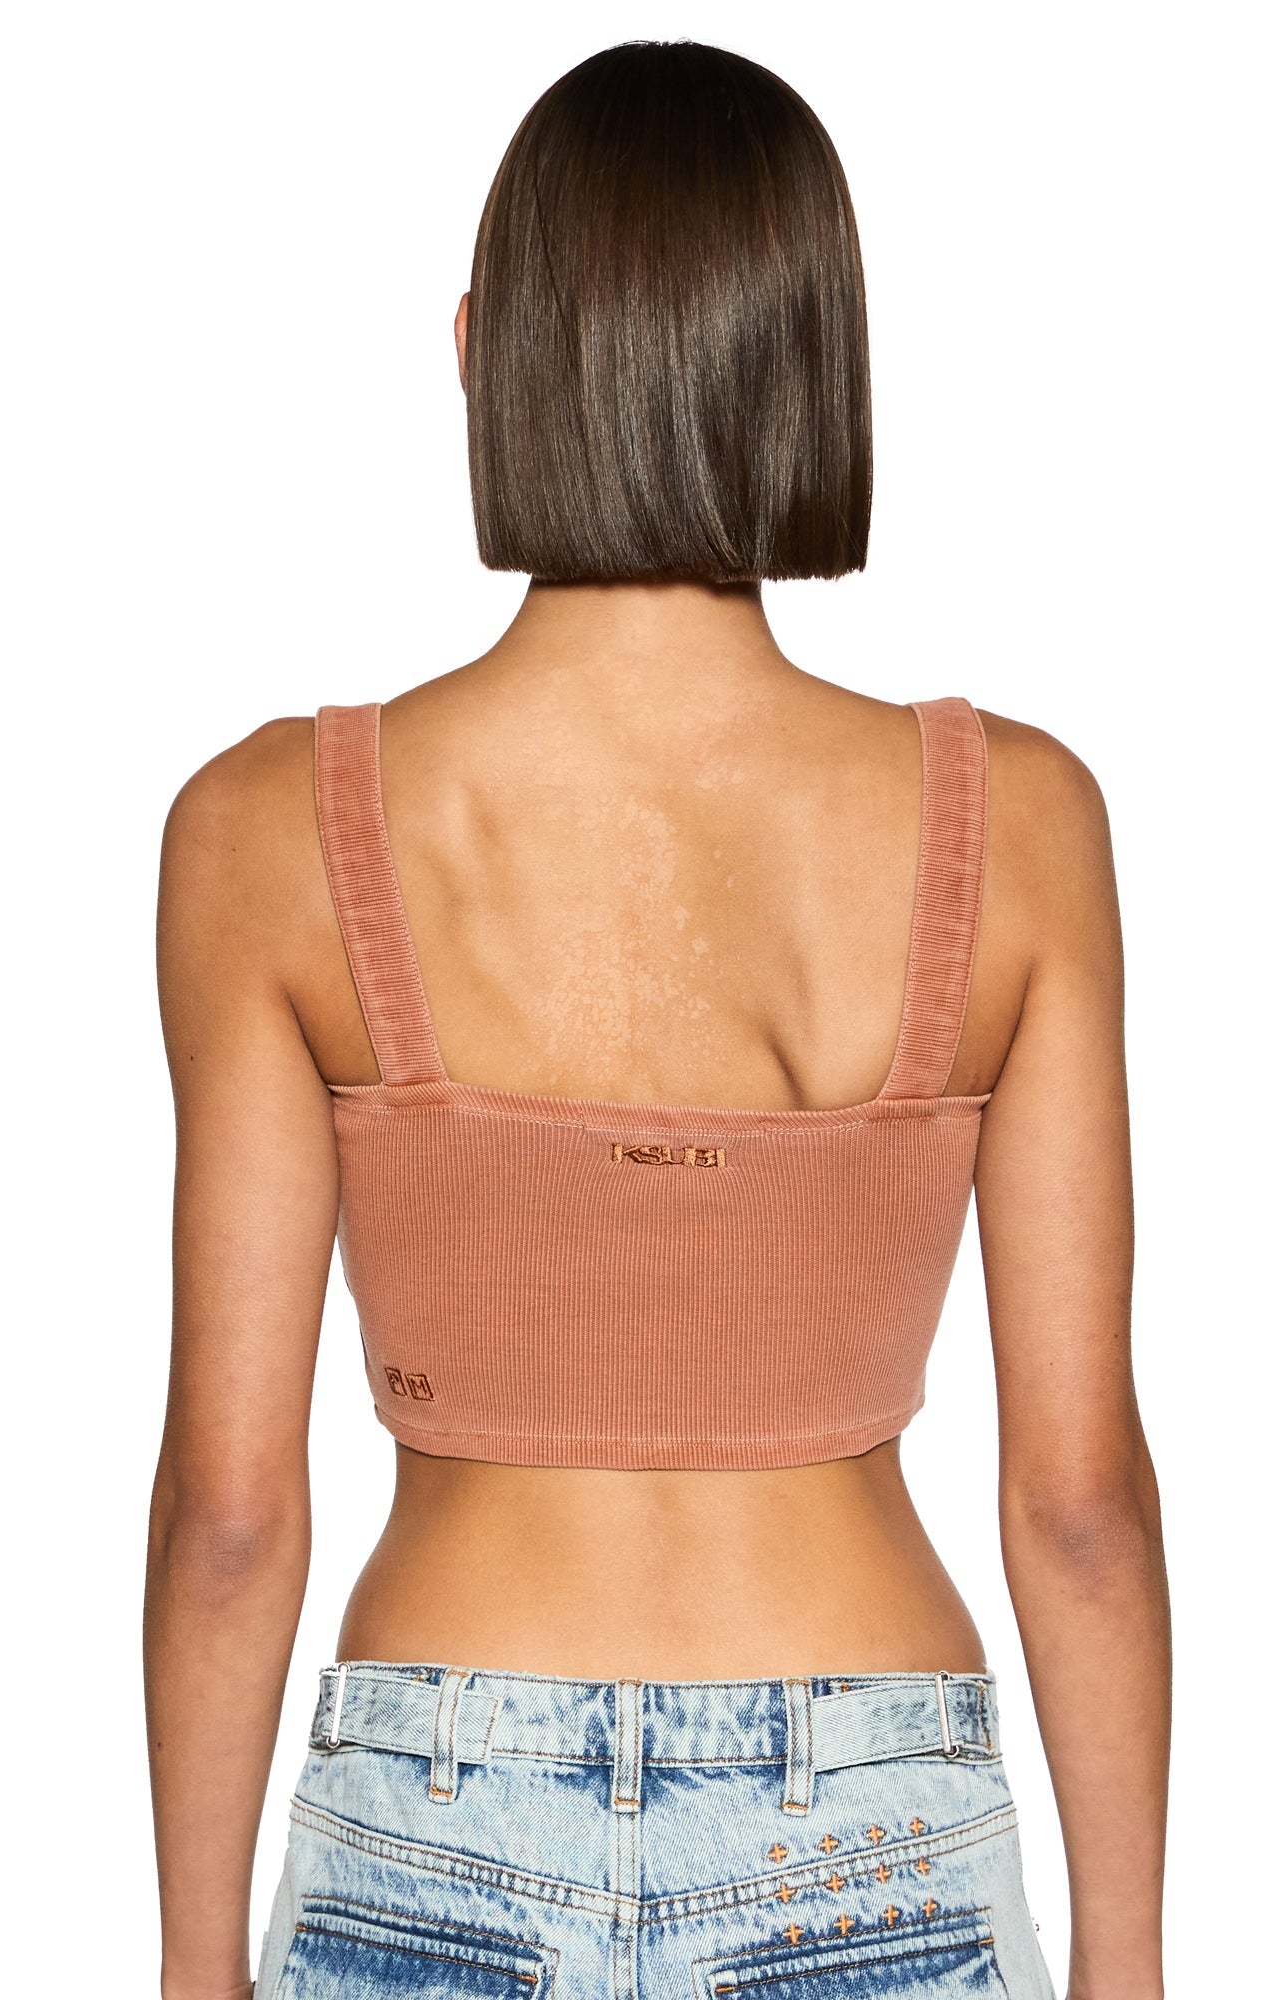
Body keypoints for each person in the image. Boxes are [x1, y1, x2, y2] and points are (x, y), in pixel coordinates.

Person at [145, 39, 1170, 2000]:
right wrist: (1121, 1961)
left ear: (479, 353)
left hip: (435, 1815)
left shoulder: (265, 833)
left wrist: (197, 1966)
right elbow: (1077, 1502)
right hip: (873, 1821)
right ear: (815, 366)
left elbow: (229, 1512)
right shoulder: (1019, 825)